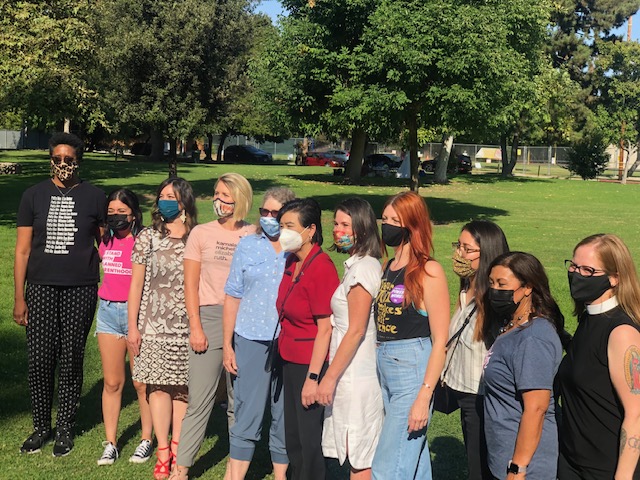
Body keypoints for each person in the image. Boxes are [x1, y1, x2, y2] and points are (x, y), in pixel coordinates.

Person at [14, 132, 106, 457]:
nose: (63, 164)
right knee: (40, 359)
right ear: (50, 159)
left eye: (69, 159)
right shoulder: (33, 196)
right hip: (39, 287)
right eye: (58, 159)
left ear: (79, 159)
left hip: (81, 288)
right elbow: (23, 251)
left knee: (70, 358)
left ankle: (65, 427)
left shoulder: (95, 197)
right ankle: (41, 427)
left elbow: (106, 243)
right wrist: (19, 297)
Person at [171, 173, 254, 480]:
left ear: (240, 199)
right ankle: (182, 468)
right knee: (200, 399)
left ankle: (236, 468)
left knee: (238, 400)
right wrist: (196, 326)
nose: (218, 201)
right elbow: (189, 285)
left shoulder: (253, 234)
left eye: (225, 195)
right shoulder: (201, 234)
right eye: (216, 194)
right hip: (208, 318)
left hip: (244, 322)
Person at [371, 191, 450, 480]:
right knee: (411, 460)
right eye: (385, 218)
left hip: (411, 368)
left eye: (396, 220)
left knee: (388, 467)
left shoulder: (429, 271)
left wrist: (424, 395)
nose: (387, 225)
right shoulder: (386, 268)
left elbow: (441, 339)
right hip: (385, 364)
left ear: (413, 225)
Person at [222, 187, 296, 480]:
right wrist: (228, 345)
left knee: (283, 414)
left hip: (288, 341)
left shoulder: (297, 250)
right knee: (246, 412)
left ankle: (281, 476)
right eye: (263, 212)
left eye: (274, 214)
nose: (267, 218)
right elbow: (232, 294)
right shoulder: (248, 245)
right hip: (251, 338)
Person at [127, 177, 197, 480]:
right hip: (152, 325)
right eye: (162, 195)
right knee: (156, 386)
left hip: (187, 326)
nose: (164, 200)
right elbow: (136, 285)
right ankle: (163, 450)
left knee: (181, 389)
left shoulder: (197, 237)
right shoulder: (147, 237)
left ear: (184, 202)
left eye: (171, 196)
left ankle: (180, 448)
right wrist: (133, 327)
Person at [558, 234, 640, 479]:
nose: (576, 274)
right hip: (572, 462)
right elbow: (589, 365)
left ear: (614, 278)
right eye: (573, 266)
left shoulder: (621, 332)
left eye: (587, 270)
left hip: (604, 469)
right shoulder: (589, 317)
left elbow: (636, 414)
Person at [318, 198, 384, 480]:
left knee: (359, 456)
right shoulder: (354, 266)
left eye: (346, 224)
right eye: (335, 223)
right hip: (348, 371)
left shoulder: (363, 269)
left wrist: (329, 378)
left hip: (356, 375)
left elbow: (356, 329)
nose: (338, 230)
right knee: (352, 453)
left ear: (363, 228)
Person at [482, 252, 563, 480]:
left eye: (502, 284)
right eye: (491, 283)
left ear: (527, 287)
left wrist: (518, 467)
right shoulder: (512, 325)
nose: (495, 290)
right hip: (504, 456)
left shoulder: (533, 339)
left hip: (527, 468)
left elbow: (536, 408)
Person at [276, 198, 340, 480]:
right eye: (281, 226)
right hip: (288, 359)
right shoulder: (292, 261)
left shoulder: (321, 267)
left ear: (311, 230)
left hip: (309, 363)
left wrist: (313, 378)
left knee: (309, 438)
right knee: (294, 437)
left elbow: (325, 328)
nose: (283, 232)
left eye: (290, 226)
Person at [440, 220, 509, 480]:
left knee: (482, 468)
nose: (459, 254)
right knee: (475, 463)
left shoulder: (496, 299)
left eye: (467, 249)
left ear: (487, 253)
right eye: (458, 246)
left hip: (482, 395)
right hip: (463, 390)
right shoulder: (467, 287)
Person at [97, 188, 153, 466]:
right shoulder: (103, 239)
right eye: (111, 213)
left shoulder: (144, 240)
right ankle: (111, 442)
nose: (116, 217)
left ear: (133, 214)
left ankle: (146, 439)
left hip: (137, 315)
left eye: (121, 212)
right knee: (112, 382)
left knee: (141, 383)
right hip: (107, 312)